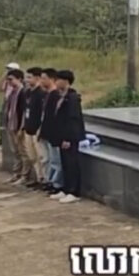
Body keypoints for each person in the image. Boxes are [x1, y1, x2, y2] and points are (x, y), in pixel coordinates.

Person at [49, 70, 85, 203]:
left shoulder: (72, 98)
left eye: (58, 80)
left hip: (70, 137)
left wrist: (68, 138)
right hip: (61, 135)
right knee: (65, 164)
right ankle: (66, 188)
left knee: (72, 164)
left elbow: (73, 120)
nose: (56, 82)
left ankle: (74, 191)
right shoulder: (61, 96)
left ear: (66, 81)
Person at [38, 68, 63, 195]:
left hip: (54, 134)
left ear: (52, 79)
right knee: (49, 159)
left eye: (44, 78)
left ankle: (57, 184)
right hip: (46, 132)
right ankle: (50, 181)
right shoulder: (47, 95)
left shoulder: (55, 95)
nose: (41, 81)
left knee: (55, 160)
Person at [3, 69, 29, 184]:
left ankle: (24, 175)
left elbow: (24, 111)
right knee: (16, 151)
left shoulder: (23, 92)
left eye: (11, 79)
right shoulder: (12, 92)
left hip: (18, 126)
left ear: (19, 79)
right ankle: (16, 173)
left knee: (23, 152)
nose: (9, 82)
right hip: (11, 125)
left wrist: (21, 128)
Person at [19, 67, 44, 186]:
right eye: (26, 77)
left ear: (37, 78)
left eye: (29, 77)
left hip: (37, 128)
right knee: (32, 156)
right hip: (28, 128)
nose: (27, 80)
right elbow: (25, 110)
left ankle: (44, 179)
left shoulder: (41, 93)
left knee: (40, 156)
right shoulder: (27, 92)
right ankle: (38, 178)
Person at [0, 62, 19, 149]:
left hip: (14, 101)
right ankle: (1, 140)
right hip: (6, 101)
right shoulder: (7, 81)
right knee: (3, 121)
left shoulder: (18, 81)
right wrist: (4, 76)